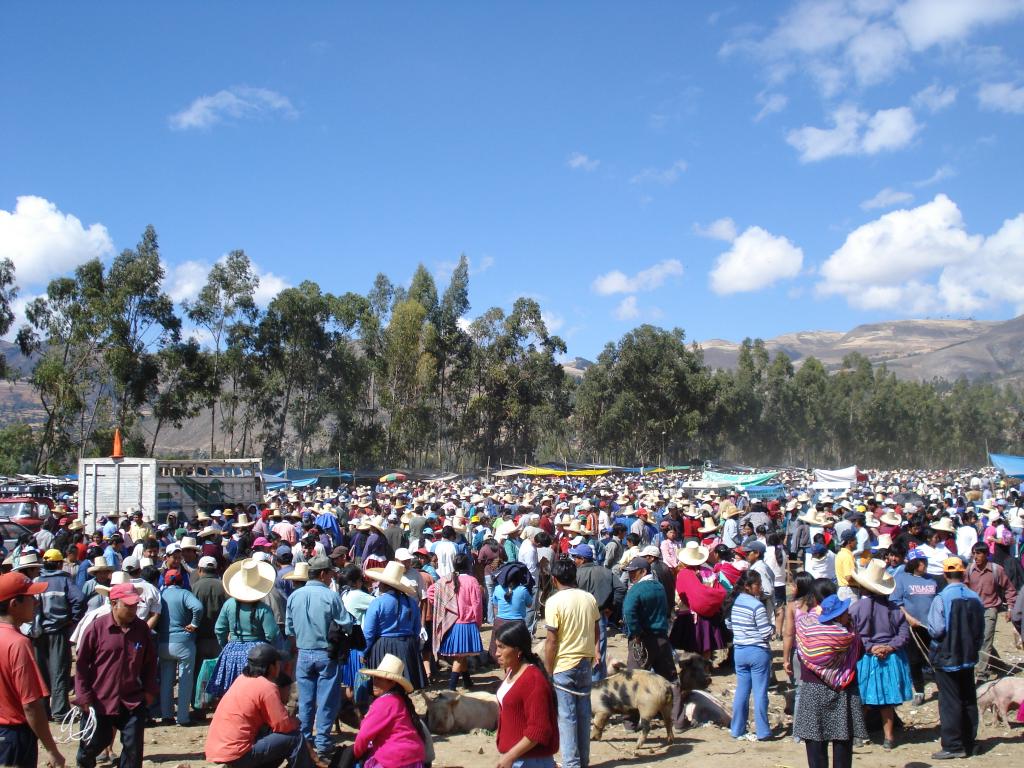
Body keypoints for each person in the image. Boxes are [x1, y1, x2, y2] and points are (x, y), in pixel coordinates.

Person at [75, 582, 159, 768]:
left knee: (133, 750)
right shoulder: (96, 628)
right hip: (100, 701)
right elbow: (82, 665)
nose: (133, 609)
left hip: (132, 700)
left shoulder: (141, 629)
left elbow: (150, 663)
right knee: (91, 746)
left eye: (135, 605)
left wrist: (149, 690)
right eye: (127, 605)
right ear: (114, 604)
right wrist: (83, 695)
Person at [205, 643, 315, 768]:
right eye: (278, 664)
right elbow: (283, 725)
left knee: (273, 735)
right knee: (295, 738)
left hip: (218, 749)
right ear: (271, 667)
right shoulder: (267, 687)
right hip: (237, 753)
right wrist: (296, 722)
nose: (280, 667)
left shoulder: (241, 679)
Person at [793, 593, 866, 768]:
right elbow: (860, 653)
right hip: (843, 691)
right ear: (839, 615)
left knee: (815, 742)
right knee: (842, 742)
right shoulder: (849, 637)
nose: (849, 614)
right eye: (846, 612)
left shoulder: (806, 632)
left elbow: (802, 656)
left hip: (813, 689)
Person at [0, 571, 65, 768]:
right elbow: (31, 705)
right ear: (14, 604)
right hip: (14, 737)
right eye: (30, 597)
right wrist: (52, 750)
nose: (36, 602)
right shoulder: (18, 643)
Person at [285, 555, 346, 759]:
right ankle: (323, 743)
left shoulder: (295, 596)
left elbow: (289, 627)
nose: (331, 578)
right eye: (330, 574)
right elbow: (345, 623)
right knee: (327, 700)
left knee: (305, 700)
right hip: (326, 653)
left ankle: (304, 740)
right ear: (323, 574)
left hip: (303, 653)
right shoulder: (331, 596)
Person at [848, 559, 912, 750]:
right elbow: (904, 634)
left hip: (866, 657)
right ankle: (889, 737)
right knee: (887, 700)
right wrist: (890, 647)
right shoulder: (895, 610)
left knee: (863, 699)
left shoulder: (856, 609)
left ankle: (859, 735)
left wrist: (871, 647)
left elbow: (854, 634)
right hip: (890, 658)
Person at [927, 556, 985, 760]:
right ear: (963, 573)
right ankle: (969, 742)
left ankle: (953, 745)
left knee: (949, 701)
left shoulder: (941, 598)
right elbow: (980, 630)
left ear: (945, 574)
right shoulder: (975, 597)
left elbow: (936, 630)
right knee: (968, 698)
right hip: (969, 656)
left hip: (947, 657)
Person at [543, 559, 599, 768]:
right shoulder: (589, 598)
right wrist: (595, 651)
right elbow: (596, 627)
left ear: (555, 579)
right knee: (583, 714)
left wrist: (548, 671)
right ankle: (582, 761)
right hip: (585, 662)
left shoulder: (554, 602)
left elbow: (551, 640)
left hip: (563, 665)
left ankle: (571, 764)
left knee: (566, 717)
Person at [209, 559, 280, 699]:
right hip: (257, 653)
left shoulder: (229, 605)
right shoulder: (263, 609)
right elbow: (272, 634)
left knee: (231, 691)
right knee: (255, 692)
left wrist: (225, 645)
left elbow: (219, 629)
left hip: (232, 650)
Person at [493, 620, 559, 768]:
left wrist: (510, 756)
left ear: (518, 650)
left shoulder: (533, 680)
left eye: (501, 647)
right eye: (496, 647)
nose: (496, 653)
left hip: (531, 761)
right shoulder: (512, 671)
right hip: (517, 758)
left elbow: (539, 729)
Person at [33, 548, 85, 721]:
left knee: (41, 674)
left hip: (37, 634)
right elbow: (79, 599)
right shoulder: (64, 580)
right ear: (58, 563)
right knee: (59, 672)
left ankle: (43, 712)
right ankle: (60, 711)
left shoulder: (36, 580)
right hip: (58, 632)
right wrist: (73, 619)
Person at [353, 654, 427, 768]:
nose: (374, 683)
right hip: (415, 757)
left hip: (394, 759)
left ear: (392, 683)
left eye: (379, 679)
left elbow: (363, 735)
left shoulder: (384, 703)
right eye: (374, 678)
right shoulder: (400, 700)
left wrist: (355, 754)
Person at [725, 570, 774, 742]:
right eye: (757, 585)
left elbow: (729, 624)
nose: (760, 588)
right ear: (748, 586)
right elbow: (766, 633)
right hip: (757, 652)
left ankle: (737, 728)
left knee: (742, 691)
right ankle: (763, 731)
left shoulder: (735, 602)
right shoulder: (757, 606)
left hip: (740, 651)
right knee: (760, 693)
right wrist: (773, 629)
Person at [362, 561, 426, 691]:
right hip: (407, 646)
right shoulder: (411, 603)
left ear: (385, 584)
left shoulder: (378, 603)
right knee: (403, 687)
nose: (378, 584)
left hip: (383, 647)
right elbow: (416, 629)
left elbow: (369, 632)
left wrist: (364, 652)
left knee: (384, 685)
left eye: (380, 582)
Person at [428, 553, 483, 690]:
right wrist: (478, 621)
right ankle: (451, 687)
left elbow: (430, 592)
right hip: (467, 622)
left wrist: (441, 605)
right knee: (459, 657)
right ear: (468, 565)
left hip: (452, 623)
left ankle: (467, 681)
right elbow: (477, 603)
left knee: (460, 655)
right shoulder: (472, 581)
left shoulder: (446, 580)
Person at [889, 549, 937, 705]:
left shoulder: (933, 580)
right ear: (913, 563)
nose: (925, 564)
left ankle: (944, 686)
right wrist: (909, 618)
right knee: (914, 660)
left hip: (931, 626)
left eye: (925, 561)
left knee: (935, 658)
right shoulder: (902, 579)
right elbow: (896, 601)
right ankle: (919, 691)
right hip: (912, 627)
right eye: (922, 561)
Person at [156, 568, 203, 726]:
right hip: (183, 642)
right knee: (185, 680)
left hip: (163, 642)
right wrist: (194, 623)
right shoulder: (184, 594)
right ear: (181, 580)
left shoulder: (160, 595)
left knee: (166, 681)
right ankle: (183, 717)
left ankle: (166, 715)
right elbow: (198, 607)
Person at [964, 542, 1017, 680]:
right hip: (973, 610)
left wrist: (1010, 607)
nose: (976, 556)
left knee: (986, 639)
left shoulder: (996, 570)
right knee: (978, 639)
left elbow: (1009, 588)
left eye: (979, 553)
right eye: (974, 553)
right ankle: (998, 664)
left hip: (990, 608)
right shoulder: (969, 570)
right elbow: (963, 589)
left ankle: (981, 673)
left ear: (986, 554)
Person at [621, 557, 676, 682]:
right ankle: (675, 701)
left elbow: (629, 612)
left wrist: (636, 632)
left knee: (634, 680)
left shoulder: (636, 589)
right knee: (669, 679)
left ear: (644, 572)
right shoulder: (659, 587)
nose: (630, 575)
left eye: (634, 572)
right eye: (629, 572)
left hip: (642, 639)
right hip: (662, 638)